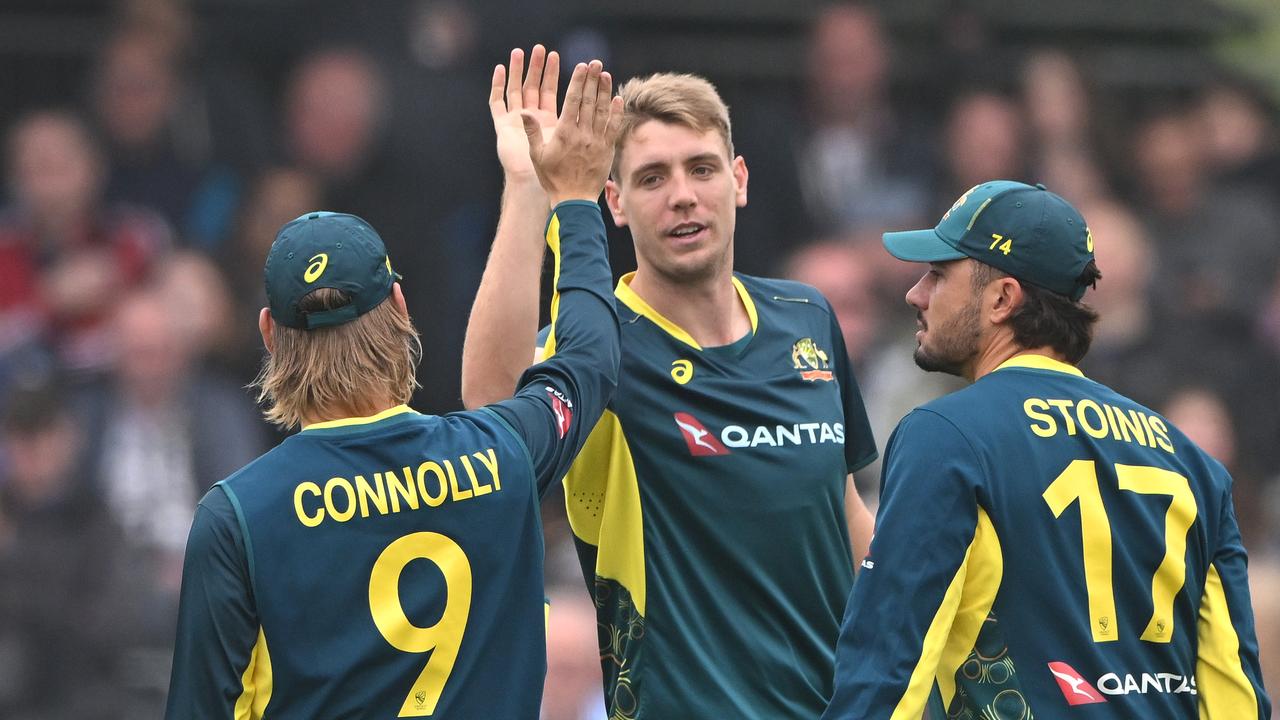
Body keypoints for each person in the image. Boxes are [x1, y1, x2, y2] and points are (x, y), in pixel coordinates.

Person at [164, 58, 623, 718]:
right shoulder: (500, 454)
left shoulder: (237, 516)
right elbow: (589, 357)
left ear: (270, 333)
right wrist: (571, 201)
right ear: (402, 308)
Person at [463, 46, 878, 718]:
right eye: (652, 177)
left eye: (702, 168)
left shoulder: (806, 315)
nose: (683, 193)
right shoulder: (600, 344)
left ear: (739, 180)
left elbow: (844, 507)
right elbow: (491, 400)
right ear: (615, 203)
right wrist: (528, 185)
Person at [823, 180, 1270, 718]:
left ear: (1003, 299)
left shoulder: (946, 435)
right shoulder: (1193, 462)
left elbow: (886, 665)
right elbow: (1235, 698)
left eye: (939, 274)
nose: (914, 293)